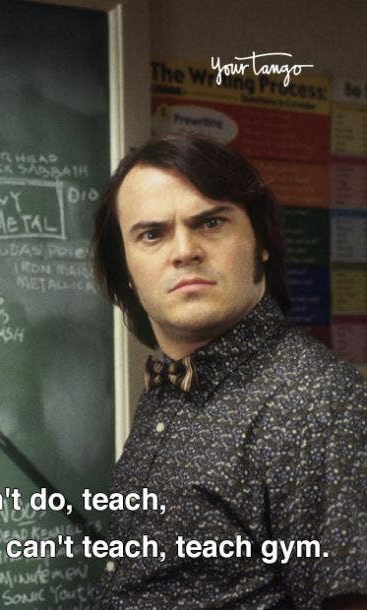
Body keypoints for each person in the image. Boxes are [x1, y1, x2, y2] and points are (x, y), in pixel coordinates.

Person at [89, 135, 366, 609]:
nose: (184, 251)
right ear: (127, 271)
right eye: (152, 234)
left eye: (211, 222)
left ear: (261, 242)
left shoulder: (316, 402)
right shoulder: (170, 386)